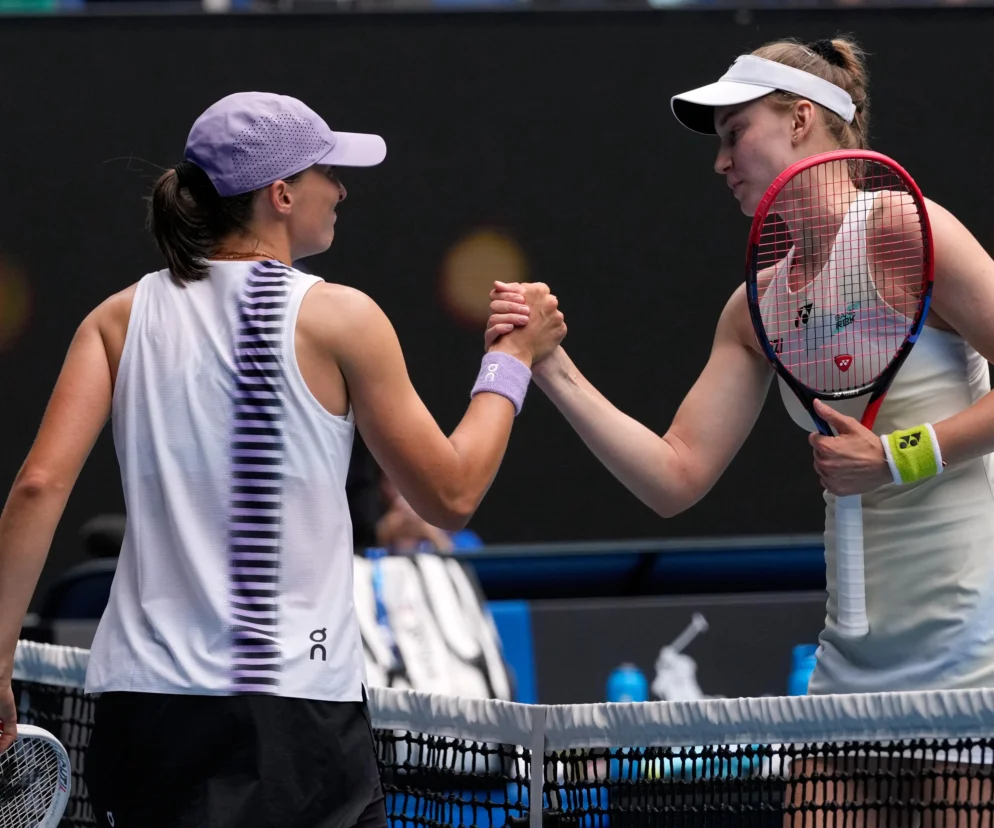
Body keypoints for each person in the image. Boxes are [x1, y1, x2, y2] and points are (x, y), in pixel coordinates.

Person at [0, 91, 565, 828]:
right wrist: (512, 360)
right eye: (328, 171)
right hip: (291, 717)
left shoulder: (116, 318)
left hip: (142, 714)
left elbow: (38, 487)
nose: (342, 190)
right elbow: (451, 495)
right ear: (282, 194)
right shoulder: (342, 317)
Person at [488, 37, 994, 822]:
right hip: (851, 666)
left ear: (800, 119)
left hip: (974, 650)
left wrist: (899, 456)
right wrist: (548, 365)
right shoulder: (757, 306)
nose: (721, 162)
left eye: (735, 133)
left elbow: (896, 454)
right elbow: (674, 476)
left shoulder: (906, 229)